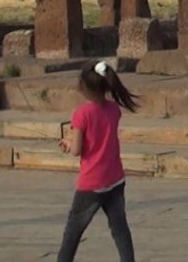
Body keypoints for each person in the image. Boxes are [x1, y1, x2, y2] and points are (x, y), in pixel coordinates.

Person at [56, 61, 138, 262]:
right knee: (120, 229)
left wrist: (67, 142)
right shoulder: (114, 110)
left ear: (84, 89)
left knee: (73, 232)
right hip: (115, 178)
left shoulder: (81, 114)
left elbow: (77, 150)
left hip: (92, 182)